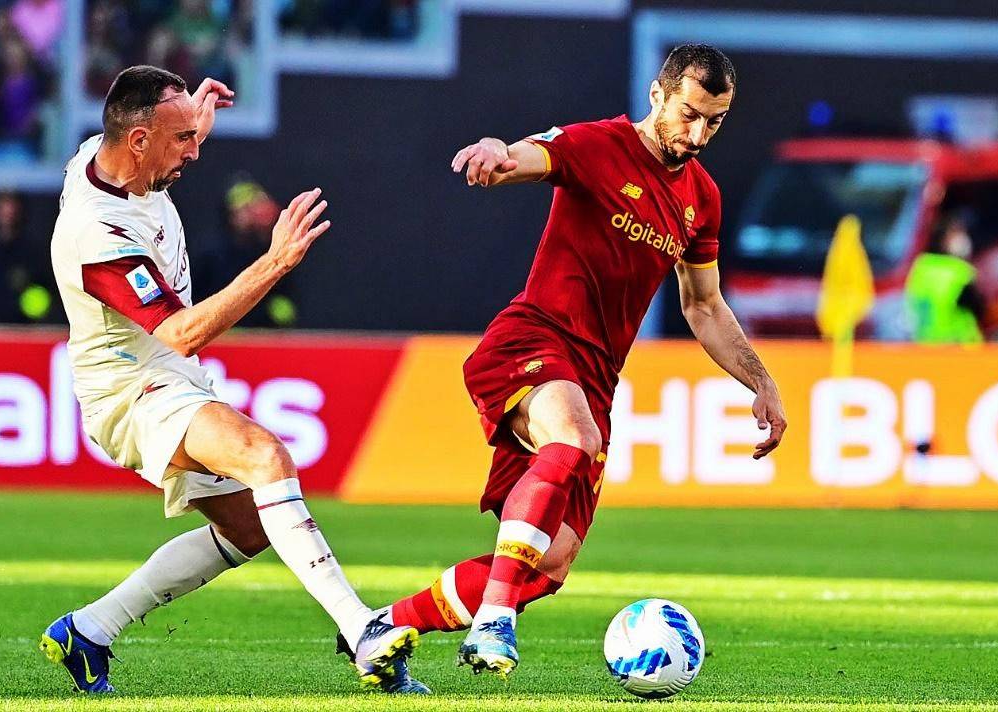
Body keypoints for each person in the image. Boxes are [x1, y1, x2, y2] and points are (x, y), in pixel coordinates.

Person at [379, 44, 788, 679]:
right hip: (533, 338)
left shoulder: (702, 198)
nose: (698, 134)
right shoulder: (599, 144)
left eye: (714, 122)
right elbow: (528, 156)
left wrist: (760, 380)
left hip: (596, 379)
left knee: (548, 566)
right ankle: (493, 621)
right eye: (688, 115)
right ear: (657, 95)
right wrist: (496, 151)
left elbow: (704, 305)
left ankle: (384, 626)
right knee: (573, 438)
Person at [40, 65, 426, 695]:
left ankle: (89, 630)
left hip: (168, 376)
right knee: (265, 455)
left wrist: (191, 117)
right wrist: (274, 262)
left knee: (248, 526)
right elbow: (182, 332)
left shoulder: (104, 154)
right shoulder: (97, 235)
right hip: (132, 392)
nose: (194, 152)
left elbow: (155, 132)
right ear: (138, 141)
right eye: (182, 140)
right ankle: (362, 629)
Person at [904, 214, 985, 344]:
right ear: (943, 239)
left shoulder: (921, 265)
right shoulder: (959, 271)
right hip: (957, 343)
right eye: (956, 234)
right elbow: (977, 307)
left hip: (924, 343)